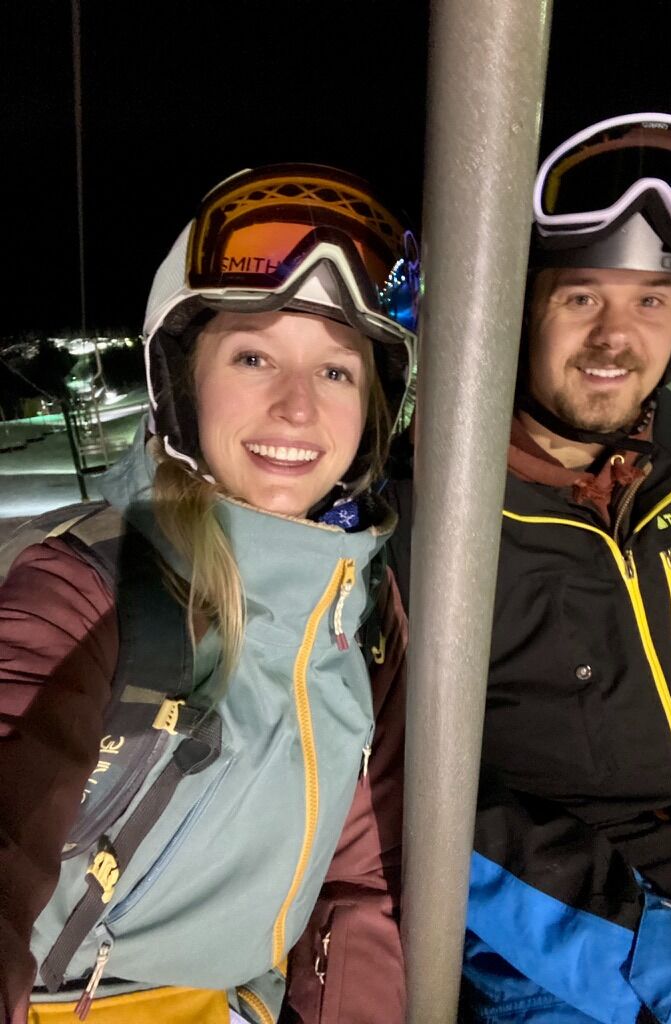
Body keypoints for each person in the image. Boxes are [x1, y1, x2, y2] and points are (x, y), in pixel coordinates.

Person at [0, 164, 418, 1024]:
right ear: (184, 382)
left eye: (337, 372)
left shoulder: (361, 611)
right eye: (254, 355)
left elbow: (355, 874)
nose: (297, 407)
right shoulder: (87, 586)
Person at [387, 113, 671, 1024]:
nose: (615, 337)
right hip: (543, 952)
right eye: (582, 297)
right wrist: (655, 958)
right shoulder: (429, 518)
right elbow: (406, 789)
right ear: (519, 312)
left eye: (651, 301)